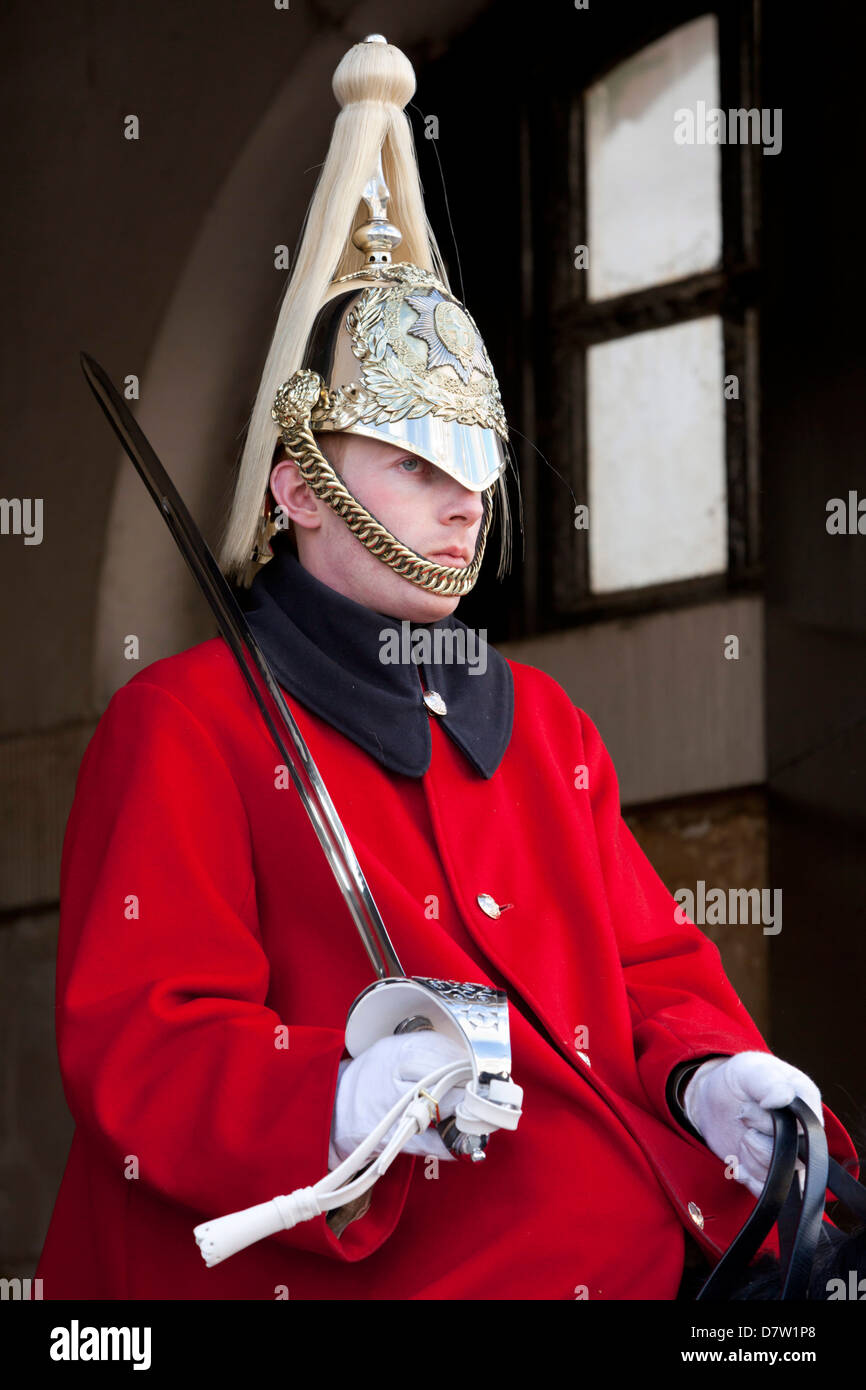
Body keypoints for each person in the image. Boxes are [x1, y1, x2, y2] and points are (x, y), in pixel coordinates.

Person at [35, 35, 858, 1301]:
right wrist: (334, 1092)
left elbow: (644, 978)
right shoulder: (183, 722)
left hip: (644, 1256)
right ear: (298, 486)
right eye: (417, 463)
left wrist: (708, 1071)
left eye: (476, 468)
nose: (464, 502)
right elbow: (146, 1043)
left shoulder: (541, 724)